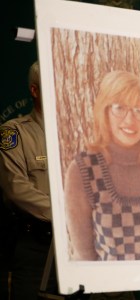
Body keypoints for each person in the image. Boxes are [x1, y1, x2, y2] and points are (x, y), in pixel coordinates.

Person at [64, 70, 140, 261]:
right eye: (119, 108)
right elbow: (84, 255)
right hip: (107, 288)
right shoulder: (83, 169)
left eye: (139, 111)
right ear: (105, 111)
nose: (129, 120)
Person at [0, 61, 58, 299]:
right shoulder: (14, 132)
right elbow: (16, 188)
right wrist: (68, 218)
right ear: (34, 91)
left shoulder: (83, 133)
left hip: (81, 251)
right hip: (37, 246)